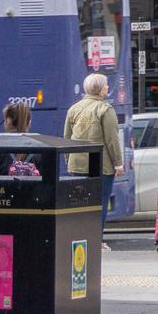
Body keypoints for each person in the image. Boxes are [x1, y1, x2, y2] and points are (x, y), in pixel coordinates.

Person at [63, 73, 125, 237]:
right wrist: (118, 163)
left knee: (79, 203)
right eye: (105, 85)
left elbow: (67, 138)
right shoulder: (105, 109)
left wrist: (69, 161)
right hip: (101, 166)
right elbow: (112, 139)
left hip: (76, 165)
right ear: (99, 89)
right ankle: (96, 238)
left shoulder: (73, 109)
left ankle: (79, 236)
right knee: (100, 203)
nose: (107, 87)